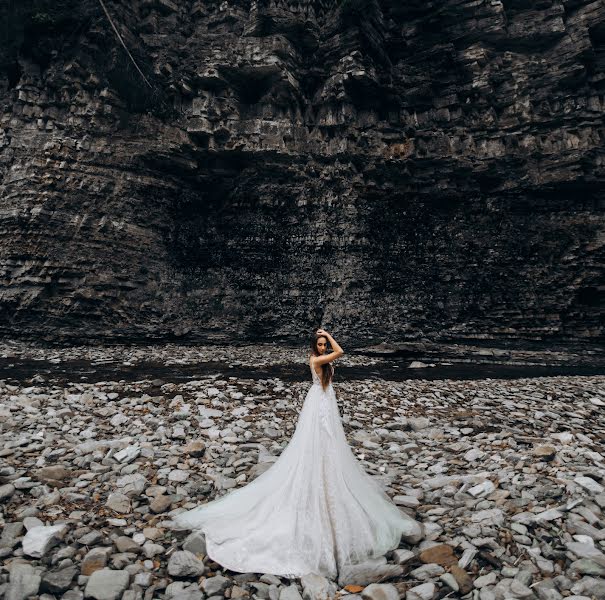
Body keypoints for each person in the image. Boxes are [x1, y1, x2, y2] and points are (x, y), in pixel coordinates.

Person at [172, 329, 422, 580]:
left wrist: (327, 335)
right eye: (321, 344)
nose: (324, 348)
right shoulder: (314, 360)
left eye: (325, 345)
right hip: (318, 404)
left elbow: (336, 359)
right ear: (315, 347)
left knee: (329, 444)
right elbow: (341, 352)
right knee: (316, 441)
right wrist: (330, 336)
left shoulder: (322, 361)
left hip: (325, 402)